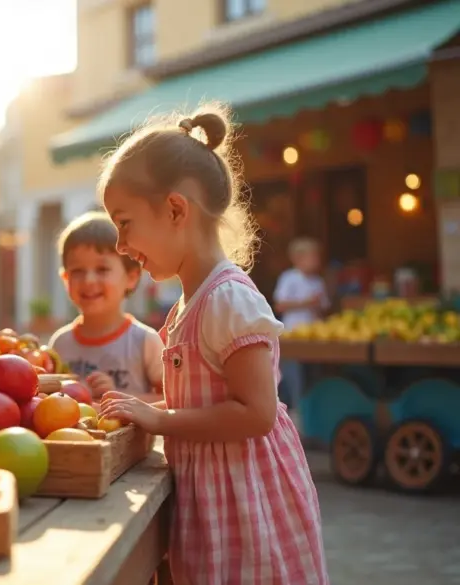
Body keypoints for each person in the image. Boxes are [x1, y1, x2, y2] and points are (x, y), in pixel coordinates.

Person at [96, 104, 328, 585]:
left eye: (124, 222)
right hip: (217, 504)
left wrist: (161, 419)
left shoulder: (227, 299)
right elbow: (203, 403)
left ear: (175, 210)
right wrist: (144, 408)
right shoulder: (190, 303)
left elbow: (257, 413)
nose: (120, 245)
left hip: (249, 509)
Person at [48, 211, 163, 400]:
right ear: (65, 279)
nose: (89, 280)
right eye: (77, 271)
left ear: (132, 277)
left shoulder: (144, 341)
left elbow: (171, 400)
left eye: (102, 269)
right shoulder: (60, 344)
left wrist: (118, 396)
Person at [273, 237, 328, 410]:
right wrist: (306, 303)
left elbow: (324, 306)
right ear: (298, 258)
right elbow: (280, 305)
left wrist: (317, 306)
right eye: (313, 256)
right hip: (293, 334)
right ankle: (296, 409)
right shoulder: (289, 278)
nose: (317, 261)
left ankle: (312, 408)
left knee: (314, 375)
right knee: (294, 377)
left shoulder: (318, 281)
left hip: (314, 335)